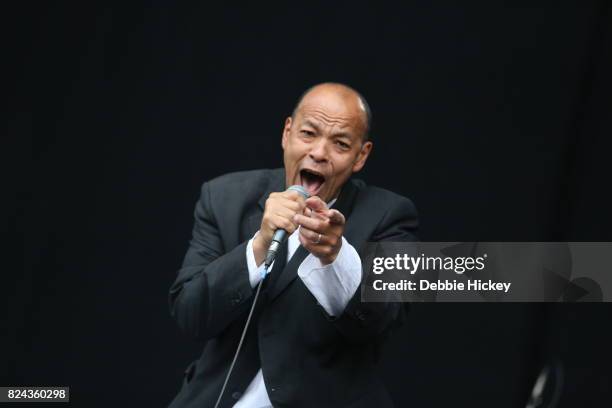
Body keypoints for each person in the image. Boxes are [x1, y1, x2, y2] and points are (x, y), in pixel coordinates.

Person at [168, 83, 418, 408]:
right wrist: (258, 245)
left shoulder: (393, 216)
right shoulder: (223, 196)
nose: (319, 153)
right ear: (287, 133)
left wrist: (335, 258)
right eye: (308, 134)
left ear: (361, 155)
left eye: (340, 143)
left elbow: (384, 318)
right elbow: (190, 314)